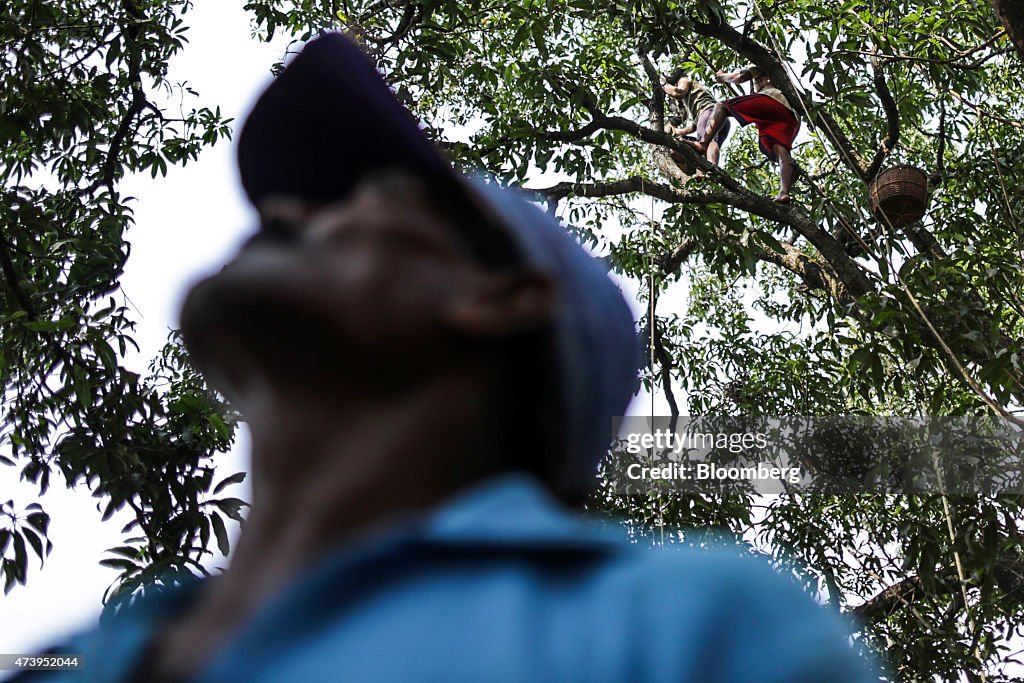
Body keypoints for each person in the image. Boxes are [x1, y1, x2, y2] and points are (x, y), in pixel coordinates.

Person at [20, 34, 879, 682]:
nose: (281, 214)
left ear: (503, 299)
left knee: (713, 130)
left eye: (378, 197)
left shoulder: (689, 633)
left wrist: (720, 123)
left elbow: (747, 134)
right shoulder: (73, 662)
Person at [688, 64, 800, 203]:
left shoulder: (760, 61)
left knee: (722, 106)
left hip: (772, 100)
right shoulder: (782, 75)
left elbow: (739, 77)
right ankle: (784, 193)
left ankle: (703, 144)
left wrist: (723, 77)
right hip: (790, 117)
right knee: (781, 151)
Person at [660, 69, 730, 178]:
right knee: (702, 147)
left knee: (707, 141)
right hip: (717, 117)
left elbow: (678, 93)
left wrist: (663, 84)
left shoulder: (684, 80)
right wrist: (678, 131)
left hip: (709, 112)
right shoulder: (694, 98)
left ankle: (713, 170)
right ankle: (702, 174)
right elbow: (694, 127)